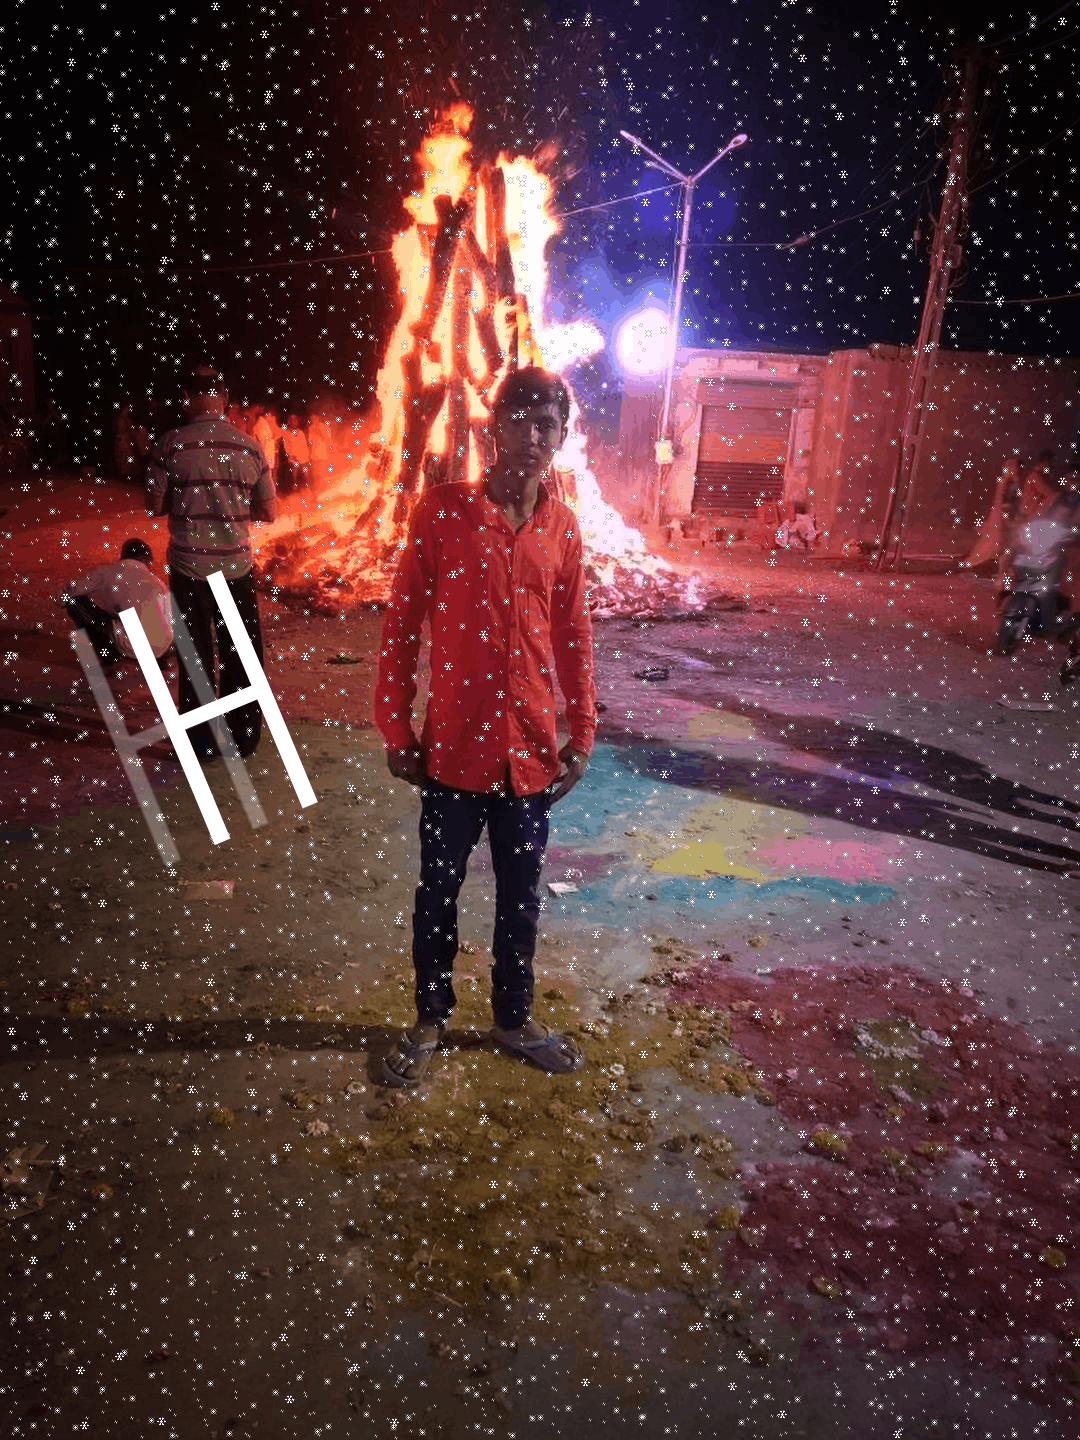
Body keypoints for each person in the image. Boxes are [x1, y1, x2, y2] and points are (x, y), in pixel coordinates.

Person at [375, 366, 596, 1087]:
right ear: (493, 429)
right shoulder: (442, 513)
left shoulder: (562, 526)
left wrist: (582, 733)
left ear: (562, 436)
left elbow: (573, 636)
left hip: (529, 754)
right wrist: (396, 728)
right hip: (453, 751)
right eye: (520, 421)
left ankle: (512, 1017)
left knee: (520, 898)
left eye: (547, 425)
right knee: (437, 893)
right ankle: (429, 1018)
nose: (533, 437)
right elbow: (404, 622)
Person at [146, 363, 276, 759]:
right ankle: (243, 737)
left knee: (195, 655)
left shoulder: (170, 445)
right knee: (241, 653)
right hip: (235, 567)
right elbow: (269, 511)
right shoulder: (250, 447)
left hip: (188, 567)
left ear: (187, 398)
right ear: (225, 399)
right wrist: (233, 504)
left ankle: (200, 741)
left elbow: (153, 505)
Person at [61, 538, 172, 670]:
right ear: (147, 560)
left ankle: (110, 657)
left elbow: (68, 592)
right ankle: (161, 657)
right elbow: (170, 619)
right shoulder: (158, 583)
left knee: (74, 603)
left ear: (123, 555)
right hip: (162, 647)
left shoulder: (107, 572)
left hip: (132, 646)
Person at [281, 412, 312, 493]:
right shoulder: (286, 433)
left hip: (303, 457)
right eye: (292, 421)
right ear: (289, 422)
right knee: (294, 475)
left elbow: (304, 445)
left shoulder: (300, 432)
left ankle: (306, 489)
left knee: (305, 474)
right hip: (293, 458)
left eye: (296, 421)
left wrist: (307, 455)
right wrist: (291, 455)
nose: (294, 422)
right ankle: (294, 490)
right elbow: (286, 446)